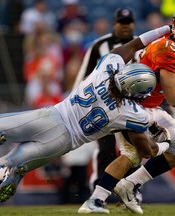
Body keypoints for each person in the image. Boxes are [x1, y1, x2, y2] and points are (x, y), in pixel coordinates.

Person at [0, 25, 172, 204]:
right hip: (63, 142)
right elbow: (147, 151)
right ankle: (6, 173)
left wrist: (167, 29)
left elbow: (135, 44)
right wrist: (165, 144)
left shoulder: (106, 70)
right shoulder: (133, 113)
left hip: (51, 118)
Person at [78, 3, 175, 214]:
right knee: (135, 154)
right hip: (134, 108)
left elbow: (164, 81)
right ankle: (96, 200)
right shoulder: (170, 50)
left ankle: (126, 186)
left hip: (147, 107)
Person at [74, 8, 139, 191]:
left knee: (135, 148)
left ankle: (132, 190)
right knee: (106, 150)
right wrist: (78, 101)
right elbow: (84, 75)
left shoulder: (145, 44)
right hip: (104, 105)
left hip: (133, 106)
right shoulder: (99, 45)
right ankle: (99, 190)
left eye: (128, 23)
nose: (125, 27)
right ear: (114, 24)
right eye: (121, 23)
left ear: (133, 24)